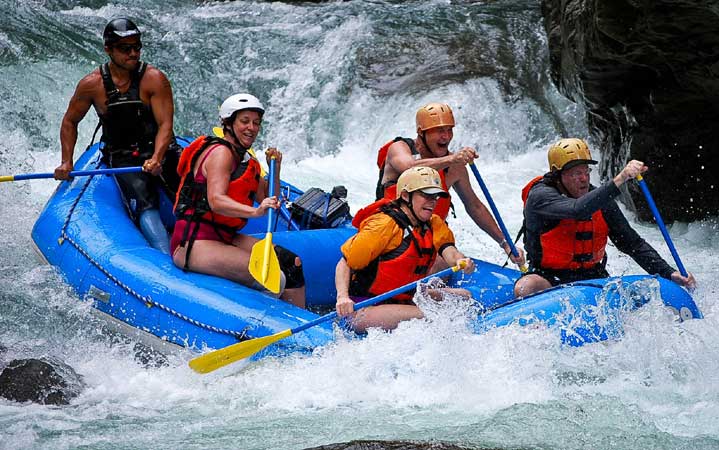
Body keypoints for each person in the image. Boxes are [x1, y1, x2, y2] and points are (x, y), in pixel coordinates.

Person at [55, 17, 180, 254]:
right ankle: (165, 257)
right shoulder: (91, 85)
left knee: (189, 193)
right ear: (108, 49)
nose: (133, 53)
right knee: (144, 202)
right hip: (124, 156)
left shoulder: (155, 79)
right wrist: (66, 161)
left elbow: (165, 124)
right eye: (125, 49)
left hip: (160, 149)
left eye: (137, 47)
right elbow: (70, 122)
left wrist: (157, 157)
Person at [514, 138, 697, 297]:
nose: (584, 179)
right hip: (549, 277)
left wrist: (668, 273)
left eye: (586, 171)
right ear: (558, 175)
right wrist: (622, 177)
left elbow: (632, 244)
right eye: (576, 173)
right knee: (525, 287)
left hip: (593, 277)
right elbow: (577, 210)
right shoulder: (540, 197)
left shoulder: (599, 200)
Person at [170, 93, 306, 308]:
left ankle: (299, 327)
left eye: (256, 123)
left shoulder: (244, 158)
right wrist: (254, 212)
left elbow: (268, 199)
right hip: (195, 241)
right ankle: (265, 329)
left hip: (223, 236)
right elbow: (216, 200)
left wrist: (275, 169)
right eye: (244, 121)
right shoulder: (220, 153)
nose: (251, 128)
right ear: (228, 123)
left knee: (291, 263)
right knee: (273, 278)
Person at [375, 102, 525, 268]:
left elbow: (475, 207)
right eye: (439, 131)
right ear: (421, 133)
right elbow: (409, 167)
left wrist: (505, 243)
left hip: (430, 238)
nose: (446, 137)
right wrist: (452, 159)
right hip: (392, 233)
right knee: (437, 263)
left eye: (449, 130)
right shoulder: (400, 148)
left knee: (449, 261)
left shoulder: (455, 167)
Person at [335, 166, 476, 333]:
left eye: (435, 196)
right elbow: (345, 263)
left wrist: (460, 260)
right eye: (425, 195)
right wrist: (342, 297)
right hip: (364, 308)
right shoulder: (383, 226)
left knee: (464, 296)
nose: (432, 201)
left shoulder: (434, 223)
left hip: (403, 300)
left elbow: (449, 251)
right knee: (434, 315)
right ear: (405, 195)